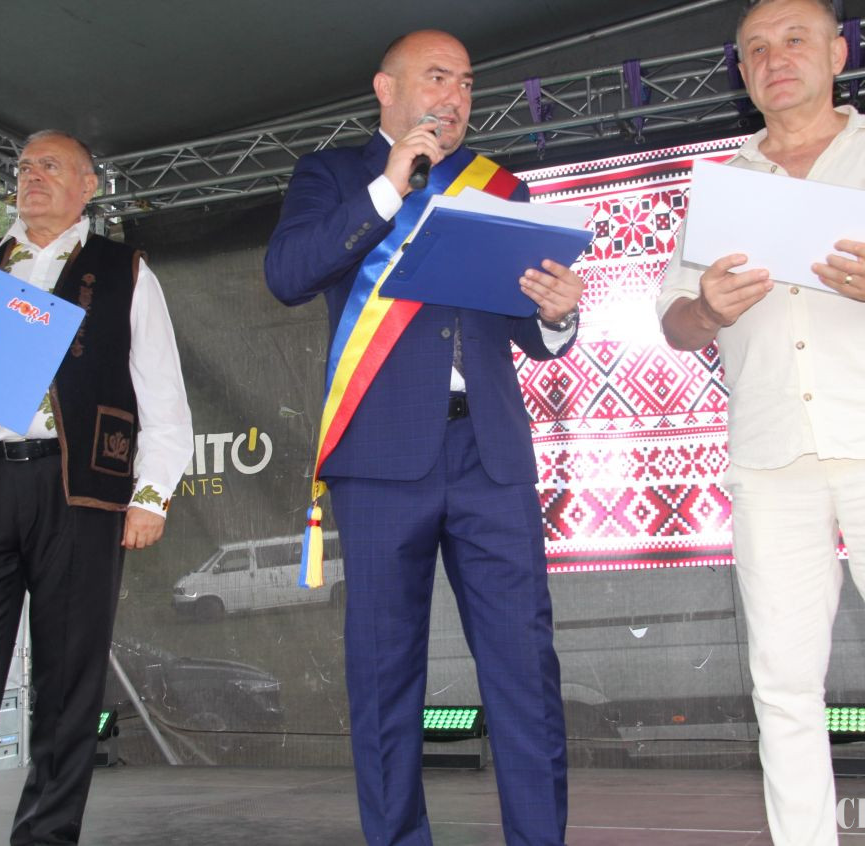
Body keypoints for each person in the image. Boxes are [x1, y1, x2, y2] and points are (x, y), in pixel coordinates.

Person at [658, 1, 865, 842]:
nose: (776, 58)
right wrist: (707, 307)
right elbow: (675, 324)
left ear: (838, 54)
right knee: (783, 688)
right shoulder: (722, 183)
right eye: (756, 48)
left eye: (795, 39)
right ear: (741, 71)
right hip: (770, 462)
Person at [265, 29, 580, 846]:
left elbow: (530, 329)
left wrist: (558, 314)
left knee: (525, 674)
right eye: (437, 77)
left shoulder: (499, 186)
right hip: (379, 460)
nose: (455, 97)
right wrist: (387, 186)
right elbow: (287, 275)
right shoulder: (333, 175)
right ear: (386, 88)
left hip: (491, 457)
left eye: (466, 83)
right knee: (384, 678)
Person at [0, 130, 194, 846]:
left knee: (68, 682)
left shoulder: (125, 269)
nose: (32, 176)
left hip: (78, 492)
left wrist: (150, 495)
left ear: (88, 185)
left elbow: (163, 394)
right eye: (25, 166)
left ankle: (45, 836)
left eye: (51, 166)